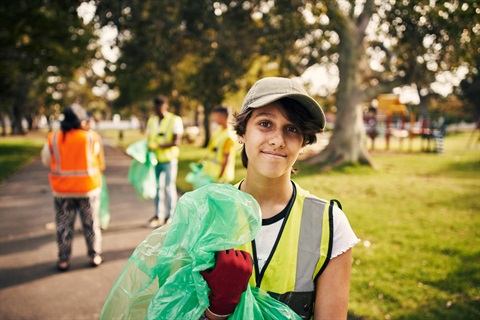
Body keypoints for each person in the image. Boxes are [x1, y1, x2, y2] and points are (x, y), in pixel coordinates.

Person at [199, 77, 360, 319]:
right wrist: (217, 309)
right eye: (265, 123)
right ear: (242, 132)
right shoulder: (207, 213)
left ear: (303, 142)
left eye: (292, 129)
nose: (278, 140)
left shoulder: (329, 224)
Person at [41, 104, 106, 271]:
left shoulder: (54, 138)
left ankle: (63, 260)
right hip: (88, 188)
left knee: (63, 225)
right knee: (90, 224)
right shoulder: (91, 137)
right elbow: (98, 160)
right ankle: (95, 255)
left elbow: (46, 161)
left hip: (62, 191)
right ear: (81, 121)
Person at [146, 95, 184, 228]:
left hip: (169, 160)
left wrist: (158, 146)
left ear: (165, 106)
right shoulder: (152, 120)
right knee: (157, 187)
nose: (158, 111)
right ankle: (158, 214)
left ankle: (171, 215)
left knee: (169, 187)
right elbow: (149, 138)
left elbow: (176, 141)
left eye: (160, 108)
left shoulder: (175, 120)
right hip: (155, 160)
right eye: (156, 108)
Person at [201, 106, 237, 184]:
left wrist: (220, 176)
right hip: (212, 173)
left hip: (220, 176)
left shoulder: (229, 136)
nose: (214, 119)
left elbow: (227, 158)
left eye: (216, 116)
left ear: (223, 117)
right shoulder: (218, 130)